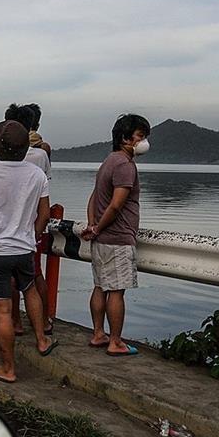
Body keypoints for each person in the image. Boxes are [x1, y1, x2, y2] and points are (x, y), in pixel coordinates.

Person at [0, 120, 58, 383]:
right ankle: (42, 339)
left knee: (3, 311)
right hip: (24, 248)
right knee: (29, 289)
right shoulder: (37, 175)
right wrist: (33, 236)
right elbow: (44, 213)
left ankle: (7, 368)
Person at [80, 114, 151, 357]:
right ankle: (116, 341)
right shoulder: (124, 165)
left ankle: (99, 334)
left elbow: (94, 197)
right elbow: (117, 204)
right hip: (117, 239)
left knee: (100, 287)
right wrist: (98, 227)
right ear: (125, 138)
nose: (144, 142)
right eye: (141, 136)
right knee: (116, 291)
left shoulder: (108, 161)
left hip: (101, 240)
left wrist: (92, 225)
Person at [4, 104, 53, 334]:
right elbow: (45, 191)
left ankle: (16, 321)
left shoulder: (2, 156)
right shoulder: (42, 154)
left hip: (8, 226)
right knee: (35, 276)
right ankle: (44, 321)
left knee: (12, 279)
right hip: (33, 224)